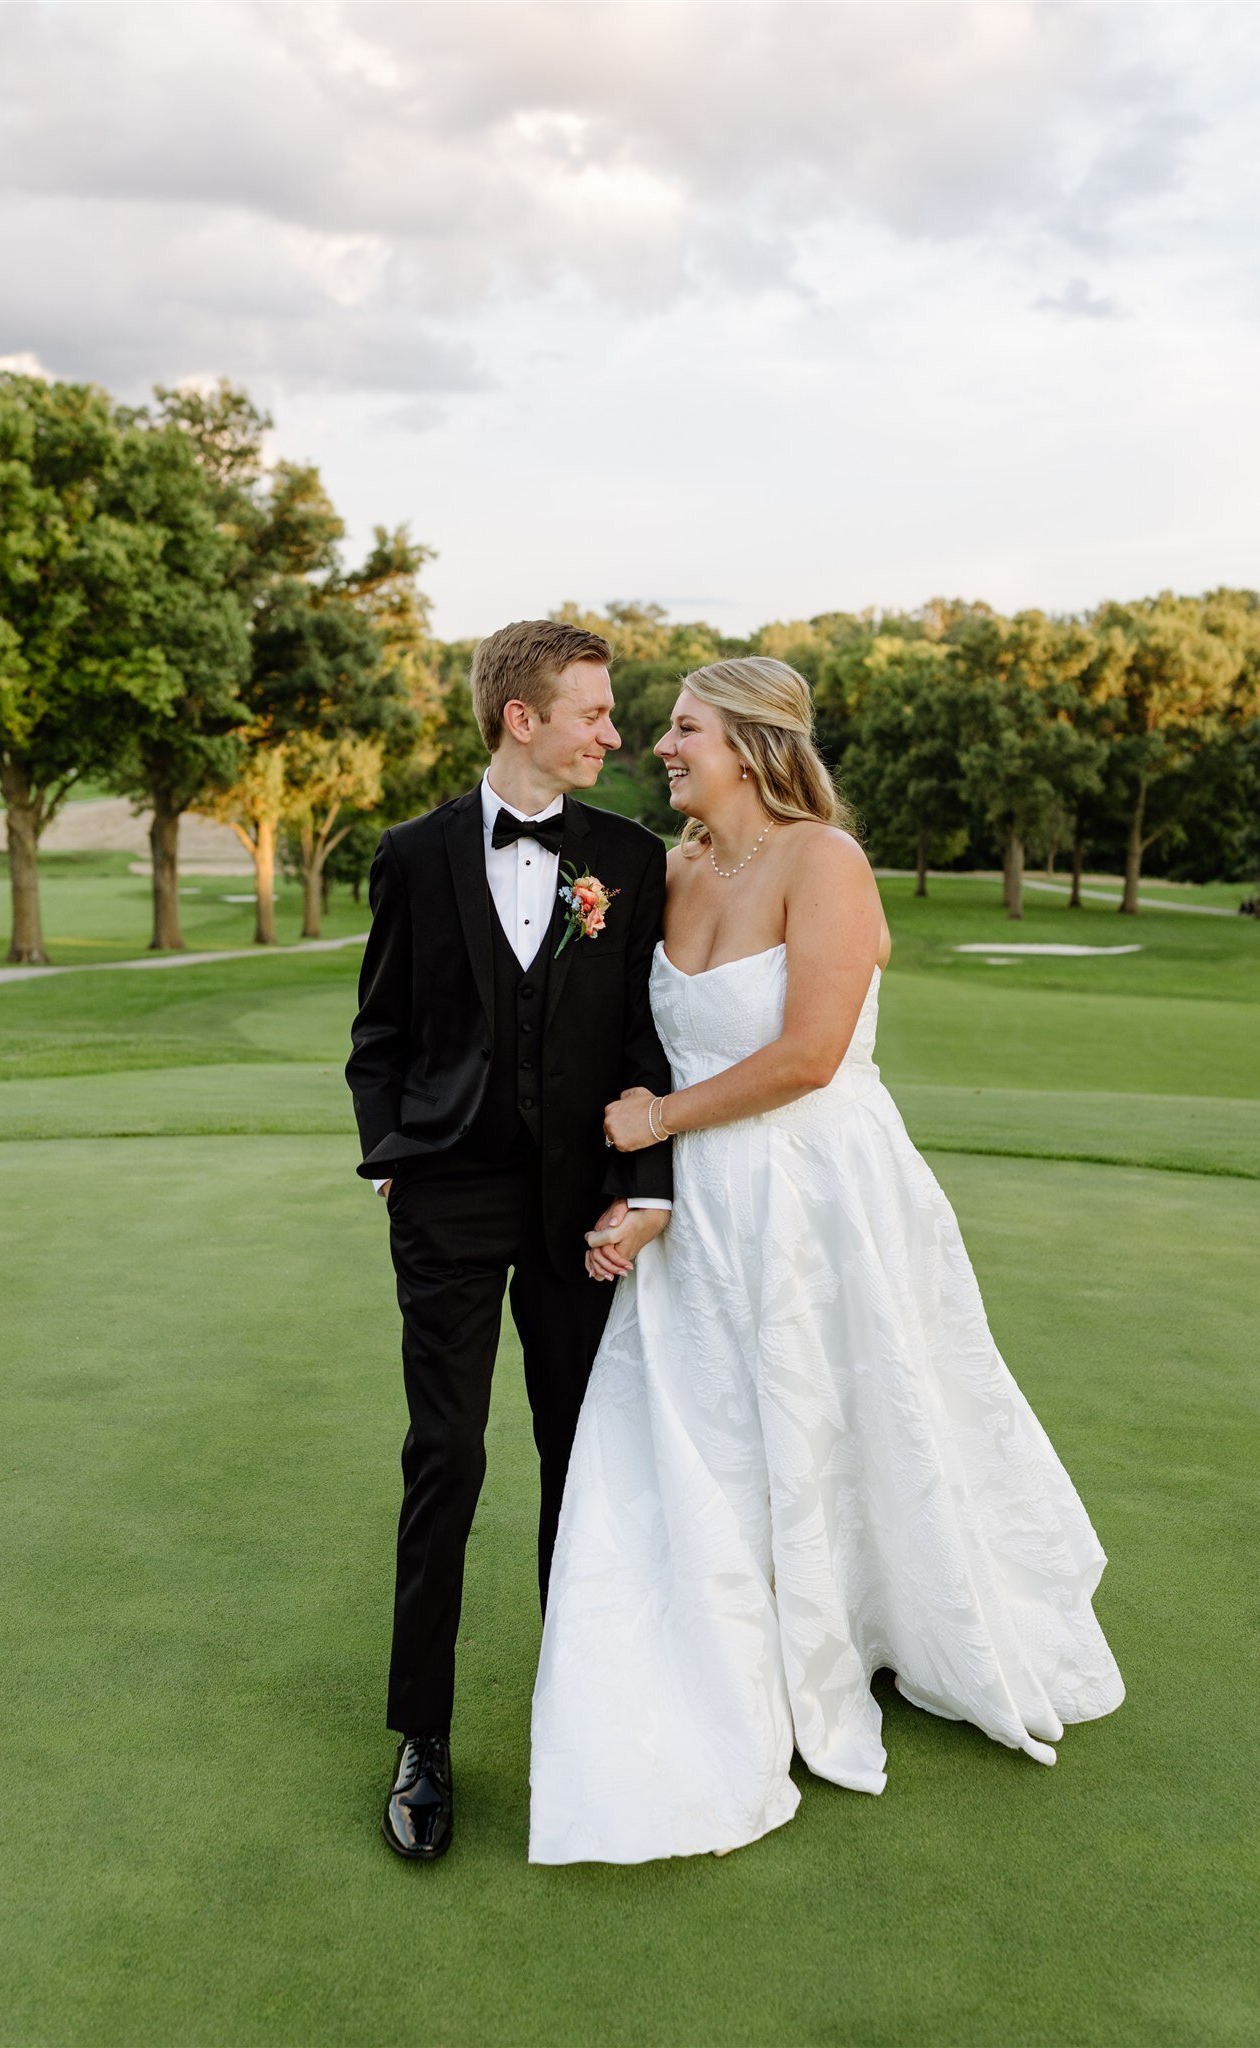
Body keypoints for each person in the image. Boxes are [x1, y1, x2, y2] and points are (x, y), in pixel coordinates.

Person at [529, 656, 1125, 1865]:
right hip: (699, 1203)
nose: (660, 744)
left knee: (852, 1412)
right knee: (708, 1426)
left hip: (821, 1191)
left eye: (684, 727)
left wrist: (656, 1125)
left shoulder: (827, 861)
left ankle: (867, 1621)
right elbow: (632, 1038)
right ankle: (726, 1649)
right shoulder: (668, 868)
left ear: (749, 743)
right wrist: (636, 1183)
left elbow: (809, 1053)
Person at [345, 619, 674, 1862]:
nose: (616, 731)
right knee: (449, 1456)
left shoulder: (630, 860)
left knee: (576, 1460)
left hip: (579, 1212)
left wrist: (643, 1190)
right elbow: (377, 1038)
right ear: (520, 718)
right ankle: (422, 1735)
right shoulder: (415, 854)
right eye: (594, 710)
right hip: (448, 1203)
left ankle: (575, 1717)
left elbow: (650, 1051)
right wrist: (393, 1159)